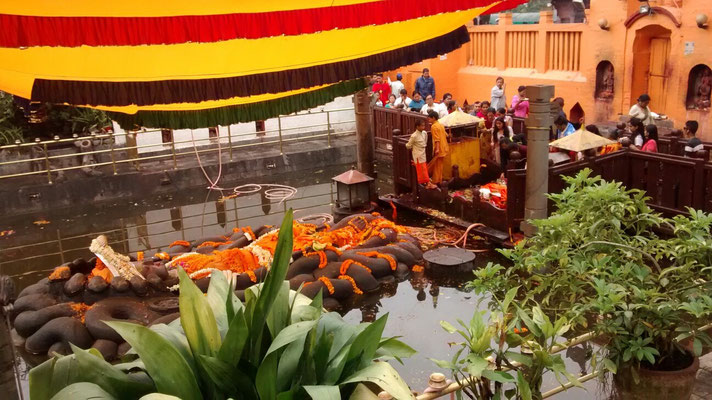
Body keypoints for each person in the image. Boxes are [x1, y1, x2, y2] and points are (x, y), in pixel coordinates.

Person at [427, 110, 449, 185]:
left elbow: (437, 139)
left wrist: (437, 149)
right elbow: (446, 135)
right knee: (440, 165)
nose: (429, 120)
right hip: (444, 147)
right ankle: (439, 180)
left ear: (433, 118)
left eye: (429, 119)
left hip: (439, 148)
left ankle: (436, 181)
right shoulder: (440, 125)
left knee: (437, 165)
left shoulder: (434, 126)